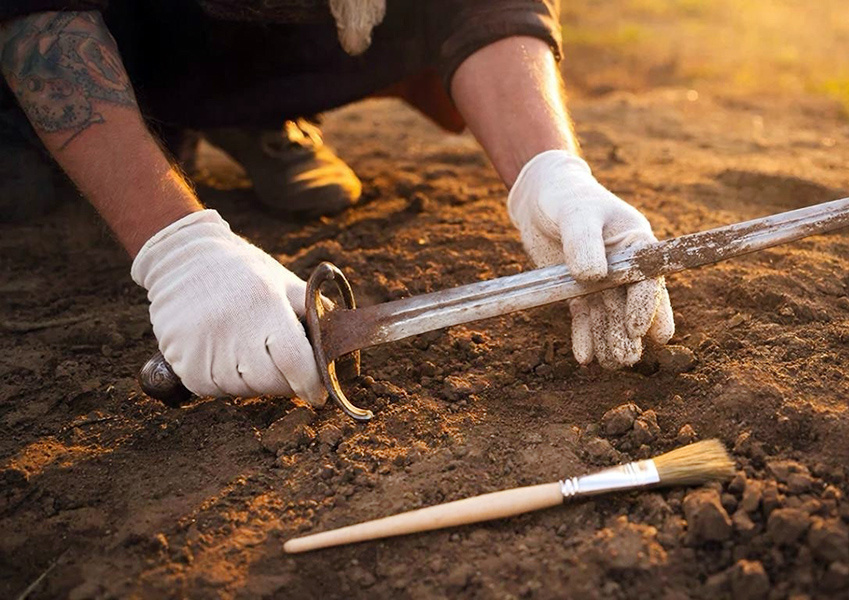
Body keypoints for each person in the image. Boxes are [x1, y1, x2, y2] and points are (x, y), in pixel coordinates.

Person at [0, 1, 675, 407]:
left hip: (296, 37)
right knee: (29, 191)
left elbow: (487, 8)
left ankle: (258, 109)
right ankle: (150, 120)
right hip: (129, 35)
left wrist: (549, 172)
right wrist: (175, 247)